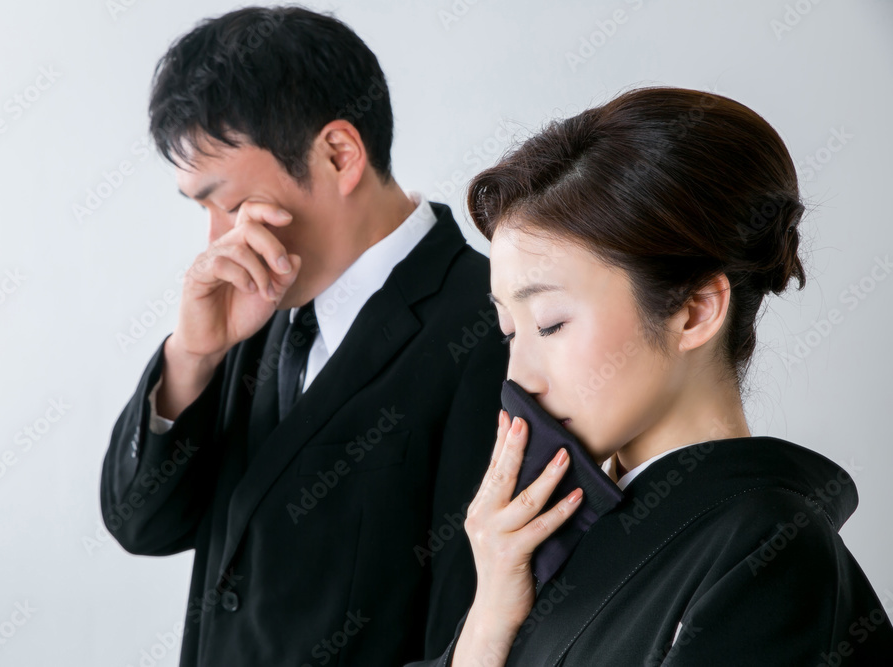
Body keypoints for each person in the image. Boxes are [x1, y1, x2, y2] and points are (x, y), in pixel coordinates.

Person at [409, 86, 893, 666]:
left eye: (551, 323)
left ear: (694, 311)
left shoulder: (770, 551)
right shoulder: (544, 545)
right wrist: (489, 614)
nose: (520, 379)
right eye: (510, 332)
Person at [98, 6, 508, 665]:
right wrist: (192, 357)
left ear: (338, 155)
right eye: (203, 209)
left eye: (231, 203)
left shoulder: (491, 326)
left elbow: (466, 631)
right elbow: (141, 525)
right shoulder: (249, 299)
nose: (217, 238)